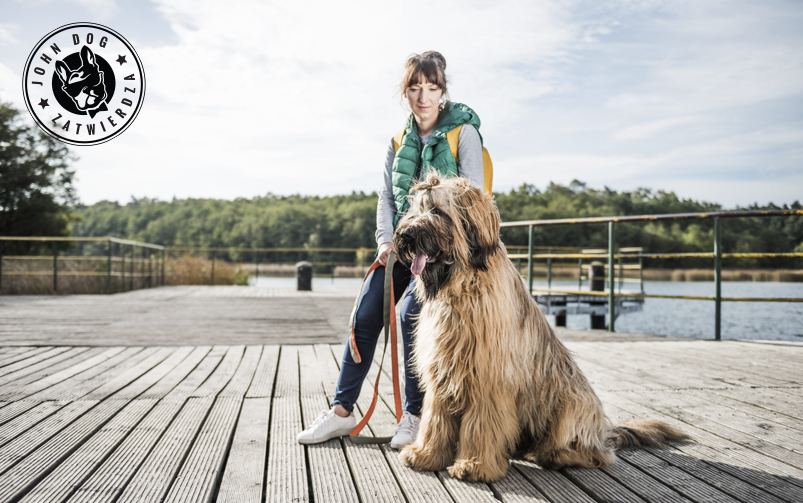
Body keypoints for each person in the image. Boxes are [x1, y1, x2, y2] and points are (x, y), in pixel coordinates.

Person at [297, 50, 486, 448]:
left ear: (442, 91)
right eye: (415, 88)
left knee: (408, 315)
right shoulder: (399, 139)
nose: (423, 97)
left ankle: (414, 417)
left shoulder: (463, 133)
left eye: (431, 88)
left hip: (445, 256)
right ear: (407, 92)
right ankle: (341, 412)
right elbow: (386, 195)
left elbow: (474, 198)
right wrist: (385, 242)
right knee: (365, 314)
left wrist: (450, 251)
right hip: (403, 245)